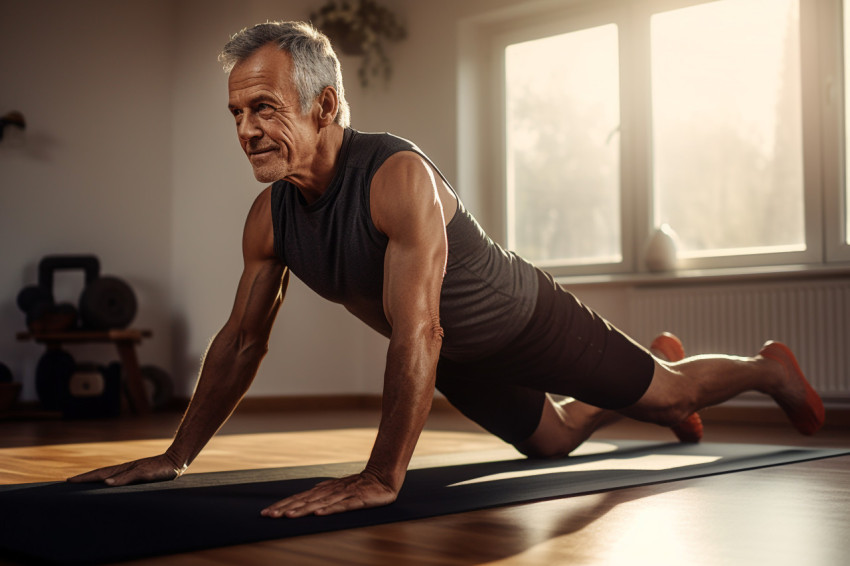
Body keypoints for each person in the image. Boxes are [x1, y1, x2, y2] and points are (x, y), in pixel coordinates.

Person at [69, 21, 825, 519]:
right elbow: (241, 342)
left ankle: (764, 369)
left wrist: (382, 475)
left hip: (526, 321)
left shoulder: (396, 175)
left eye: (264, 109)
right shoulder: (272, 218)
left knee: (676, 396)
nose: (246, 131)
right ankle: (640, 371)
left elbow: (419, 327)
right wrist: (177, 456)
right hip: (458, 357)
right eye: (235, 114)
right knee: (556, 442)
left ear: (325, 104)